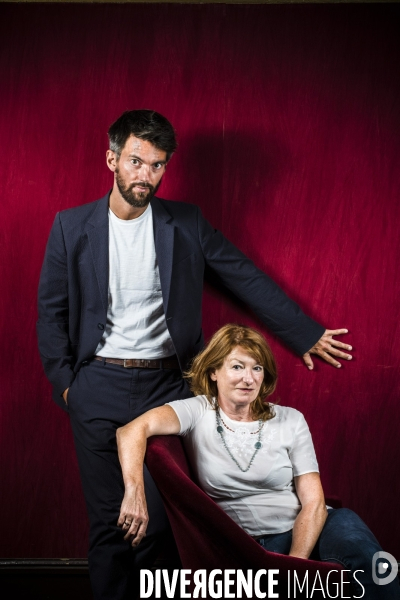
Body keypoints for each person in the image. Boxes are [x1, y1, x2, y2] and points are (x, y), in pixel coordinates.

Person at [37, 110, 352, 600]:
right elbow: (51, 314)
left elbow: (243, 274)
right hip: (96, 385)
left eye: (157, 165)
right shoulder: (71, 227)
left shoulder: (185, 223)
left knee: (158, 527)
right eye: (136, 162)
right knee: (108, 527)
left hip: (166, 386)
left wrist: (304, 333)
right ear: (112, 160)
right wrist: (69, 387)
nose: (146, 175)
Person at [116, 324, 398, 600]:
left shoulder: (291, 419)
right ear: (214, 371)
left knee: (376, 564)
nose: (248, 378)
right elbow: (130, 431)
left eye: (257, 367)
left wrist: (295, 565)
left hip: (313, 525)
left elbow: (313, 502)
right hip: (247, 540)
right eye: (237, 366)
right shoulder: (197, 411)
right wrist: (134, 492)